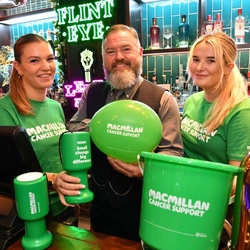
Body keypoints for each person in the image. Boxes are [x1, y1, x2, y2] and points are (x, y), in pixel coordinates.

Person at [53, 24, 184, 241]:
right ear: (104, 58)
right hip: (100, 206)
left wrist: (145, 169)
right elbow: (73, 128)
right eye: (111, 52)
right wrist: (101, 127)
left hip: (145, 208)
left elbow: (174, 154)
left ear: (140, 53)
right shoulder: (92, 92)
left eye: (126, 49)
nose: (119, 57)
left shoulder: (162, 99)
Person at [181, 32, 250, 249]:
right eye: (196, 59)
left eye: (211, 61)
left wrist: (196, 202)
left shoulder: (241, 110)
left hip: (215, 211)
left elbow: (236, 179)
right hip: (181, 200)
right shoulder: (192, 101)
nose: (200, 67)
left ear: (228, 67)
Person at [0, 34, 77, 224]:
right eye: (34, 60)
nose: (46, 67)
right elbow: (9, 174)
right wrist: (53, 180)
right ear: (18, 67)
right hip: (30, 214)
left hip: (64, 207)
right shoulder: (5, 111)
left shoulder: (55, 107)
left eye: (50, 59)